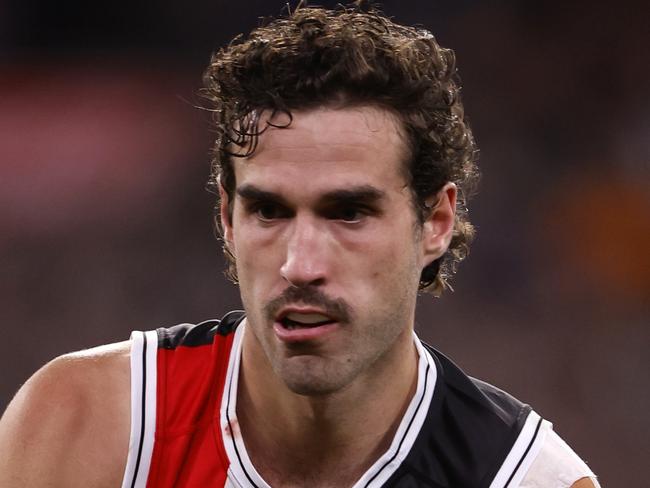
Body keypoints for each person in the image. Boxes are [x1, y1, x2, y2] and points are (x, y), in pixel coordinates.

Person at [0, 4, 600, 487]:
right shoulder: (87, 429)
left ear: (435, 222)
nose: (300, 265)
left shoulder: (524, 478)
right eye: (268, 210)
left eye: (349, 213)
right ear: (227, 219)